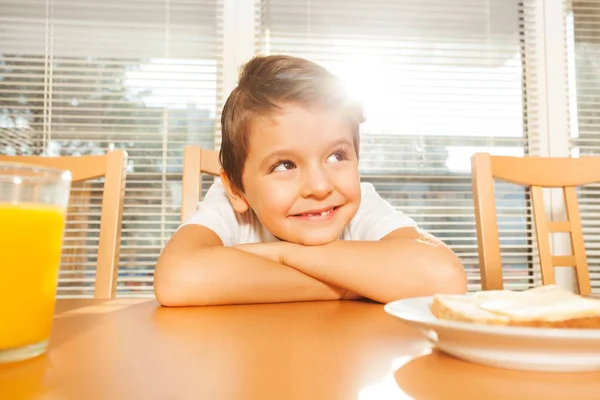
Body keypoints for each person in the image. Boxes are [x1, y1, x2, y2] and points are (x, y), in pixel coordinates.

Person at [154, 55, 466, 306]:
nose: (319, 187)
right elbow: (177, 278)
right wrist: (345, 286)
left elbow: (443, 277)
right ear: (237, 188)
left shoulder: (357, 204)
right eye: (284, 165)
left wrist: (283, 254)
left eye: (336, 157)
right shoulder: (229, 204)